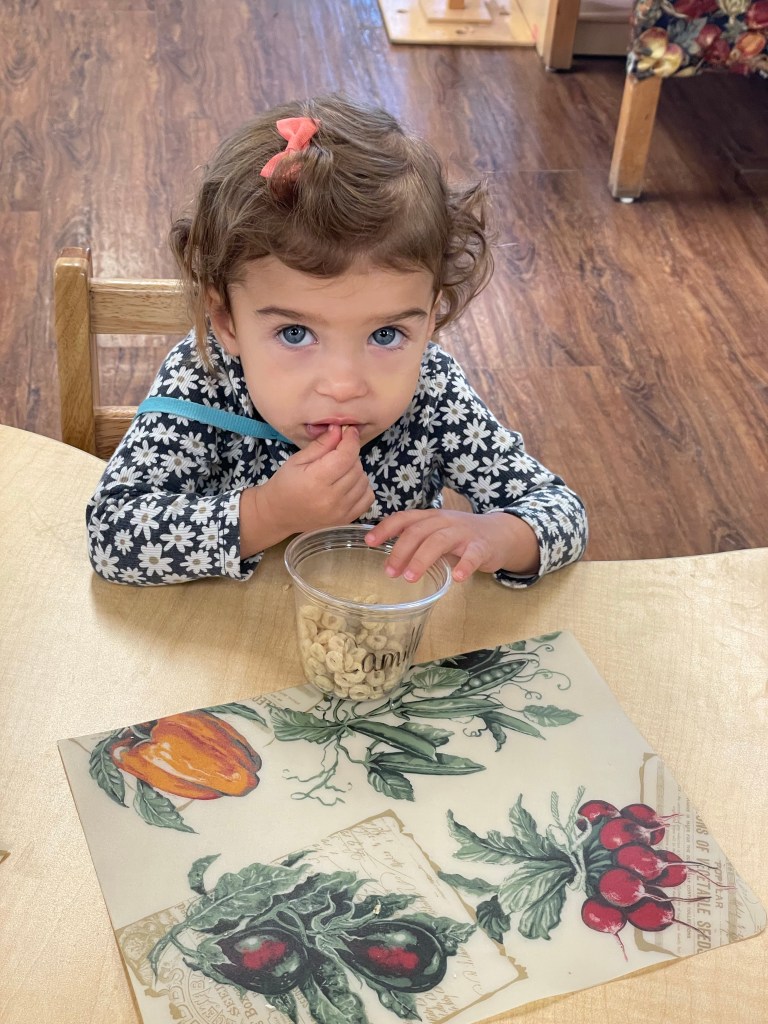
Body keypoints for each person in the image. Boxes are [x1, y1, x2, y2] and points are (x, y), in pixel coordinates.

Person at [87, 95, 587, 588]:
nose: (344, 386)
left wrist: (500, 535)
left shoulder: (433, 392)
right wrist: (267, 513)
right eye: (295, 333)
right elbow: (111, 535)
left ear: (431, 316)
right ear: (227, 322)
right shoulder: (205, 378)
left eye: (386, 335)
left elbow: (560, 512)